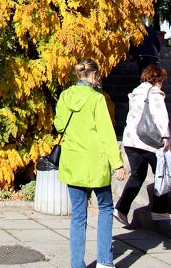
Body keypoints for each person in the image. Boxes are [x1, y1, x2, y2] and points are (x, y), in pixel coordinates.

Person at [54, 59, 125, 268]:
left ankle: (77, 264)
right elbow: (106, 133)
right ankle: (104, 261)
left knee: (78, 214)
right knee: (105, 208)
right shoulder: (97, 99)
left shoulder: (66, 95)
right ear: (94, 76)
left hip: (73, 162)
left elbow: (59, 125)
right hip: (96, 163)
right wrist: (117, 163)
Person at [113, 64, 170, 225]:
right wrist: (165, 136)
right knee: (161, 172)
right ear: (157, 78)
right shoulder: (154, 93)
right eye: (162, 80)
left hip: (131, 140)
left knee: (138, 175)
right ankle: (159, 211)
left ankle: (121, 209)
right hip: (148, 140)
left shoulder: (137, 92)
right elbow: (160, 116)